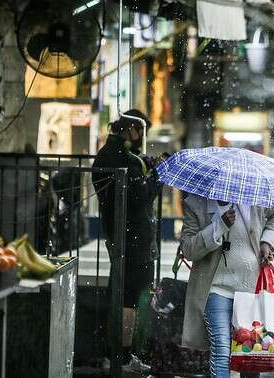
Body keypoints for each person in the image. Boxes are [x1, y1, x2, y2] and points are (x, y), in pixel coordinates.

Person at [179, 194, 274, 378]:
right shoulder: (195, 204)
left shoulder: (255, 198)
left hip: (250, 288)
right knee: (221, 348)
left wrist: (266, 242)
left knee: (251, 353)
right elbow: (188, 249)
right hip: (215, 287)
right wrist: (219, 226)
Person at [92, 109, 162, 373]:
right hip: (133, 239)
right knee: (129, 300)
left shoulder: (108, 154)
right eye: (141, 132)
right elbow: (139, 197)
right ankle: (121, 358)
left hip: (119, 235)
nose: (142, 138)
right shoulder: (123, 159)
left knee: (120, 294)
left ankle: (114, 355)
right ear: (131, 130)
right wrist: (156, 176)